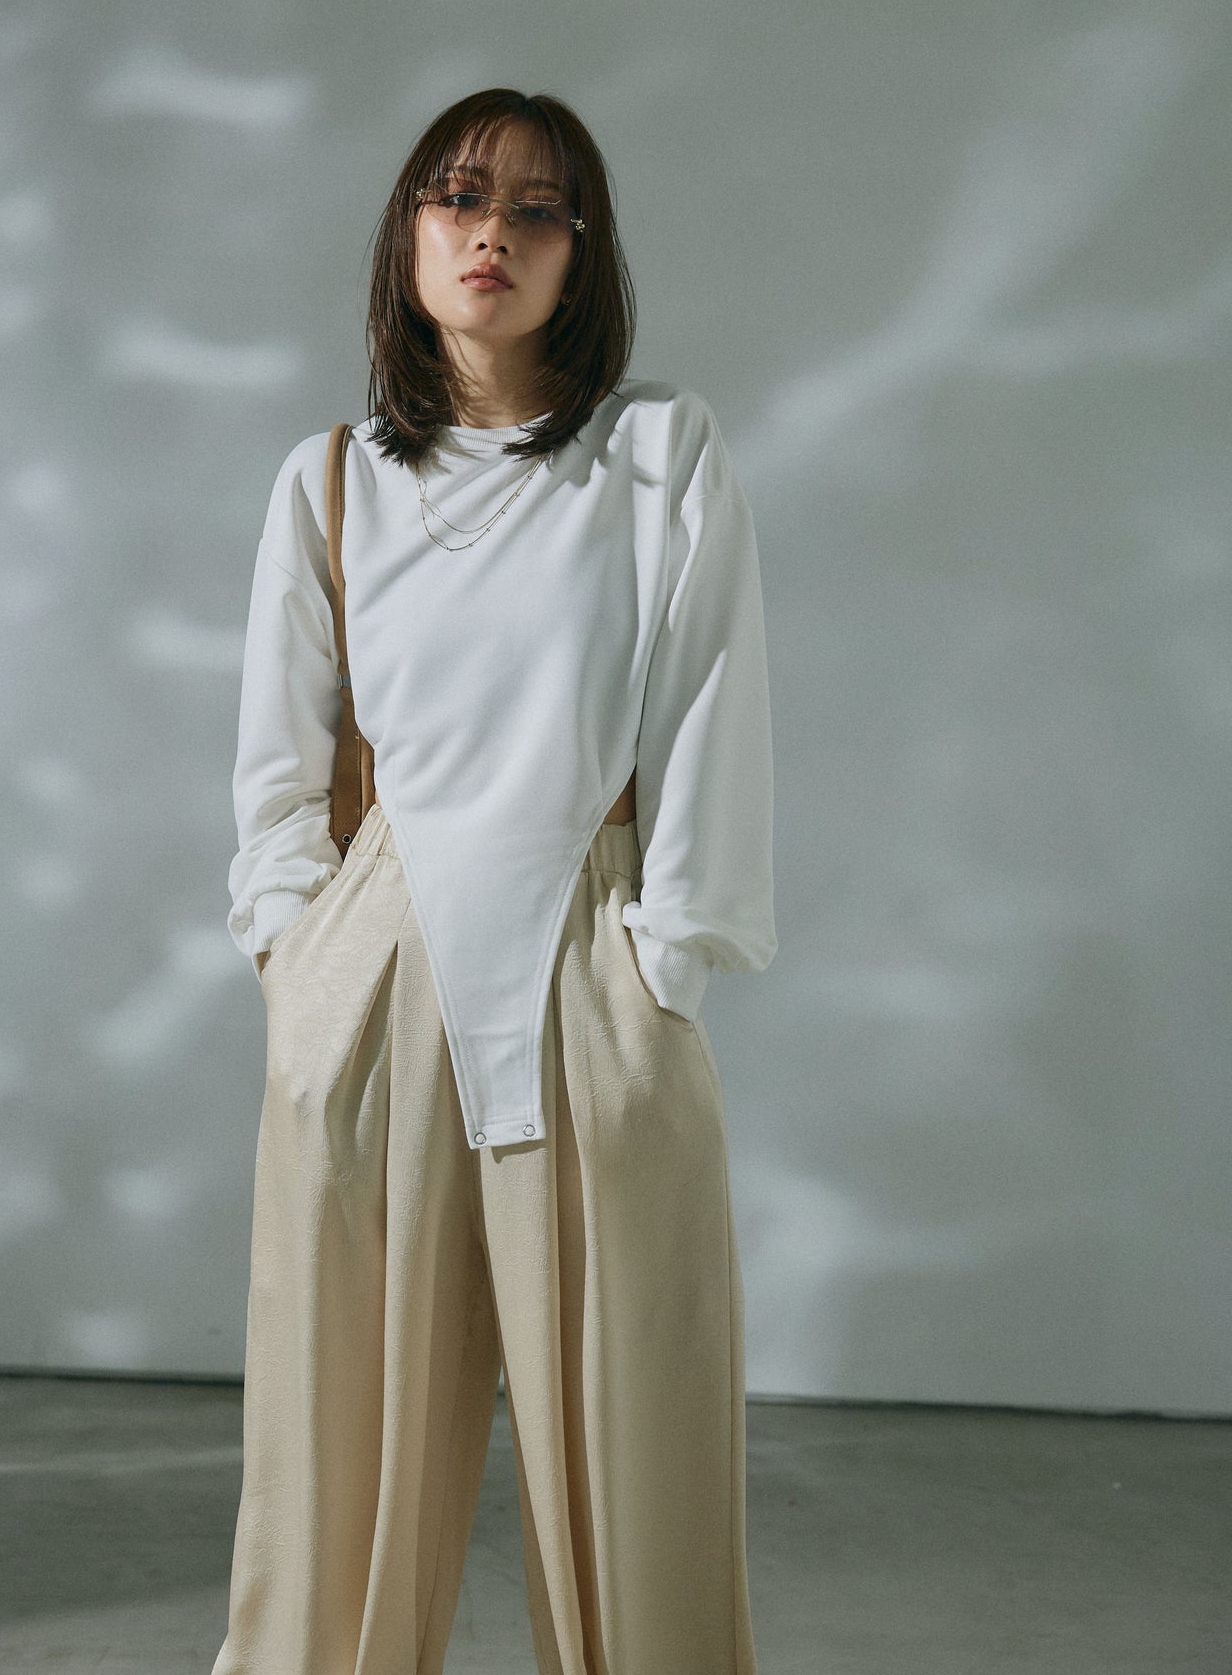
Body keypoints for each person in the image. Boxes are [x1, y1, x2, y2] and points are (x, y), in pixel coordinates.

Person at [212, 87, 777, 1675]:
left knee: (635, 1436)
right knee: (336, 1445)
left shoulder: (655, 452)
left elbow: (710, 702)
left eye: (538, 209)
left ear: (580, 254)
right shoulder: (331, 479)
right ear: (407, 233)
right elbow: (277, 762)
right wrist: (298, 961)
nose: (492, 234)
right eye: (459, 198)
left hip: (594, 961)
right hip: (375, 967)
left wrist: (666, 960)